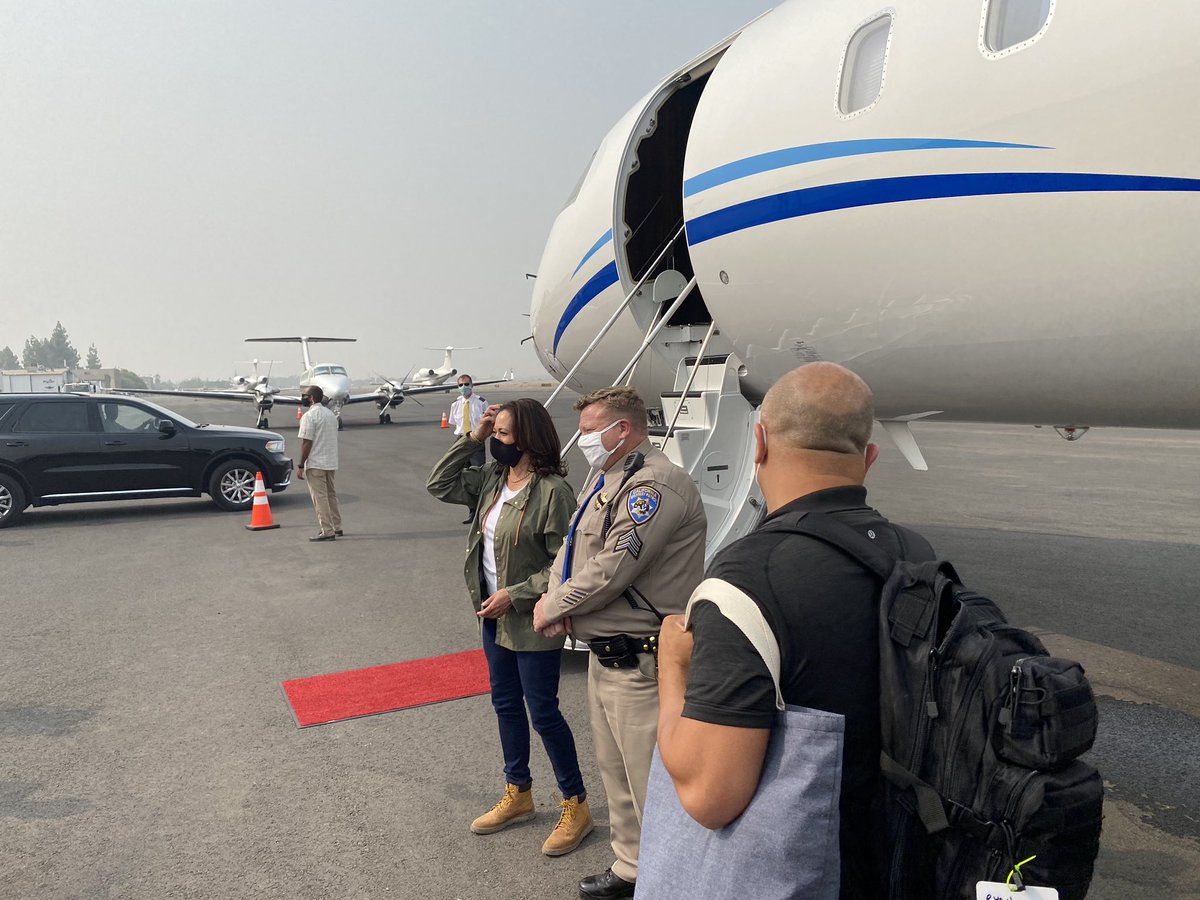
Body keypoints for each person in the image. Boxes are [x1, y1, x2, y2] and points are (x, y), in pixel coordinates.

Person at [654, 362, 934, 899]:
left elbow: (710, 797)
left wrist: (673, 669)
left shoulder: (747, 575)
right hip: (904, 854)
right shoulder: (914, 552)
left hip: (804, 869)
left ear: (757, 444)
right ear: (870, 456)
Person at [532, 387, 706, 900]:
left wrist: (556, 607)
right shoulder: (605, 477)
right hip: (604, 657)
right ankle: (632, 868)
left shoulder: (655, 485)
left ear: (623, 429)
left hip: (643, 661)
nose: (583, 439)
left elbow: (614, 567)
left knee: (654, 782)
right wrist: (554, 597)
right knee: (618, 776)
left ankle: (673, 881)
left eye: (590, 430)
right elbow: (572, 551)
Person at [427, 397, 594, 858]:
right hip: (491, 618)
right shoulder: (494, 479)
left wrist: (515, 594)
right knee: (505, 704)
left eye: (502, 433)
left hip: (529, 619)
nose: (495, 439)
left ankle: (576, 804)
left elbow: (568, 565)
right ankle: (518, 791)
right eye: (494, 432)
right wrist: (474, 438)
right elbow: (438, 484)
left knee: (543, 713)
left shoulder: (553, 492)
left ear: (528, 439)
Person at [297, 385, 343, 542]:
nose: (303, 398)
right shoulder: (330, 415)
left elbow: (306, 442)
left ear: (311, 398)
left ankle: (327, 530)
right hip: (330, 462)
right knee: (331, 495)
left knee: (320, 498)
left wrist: (301, 465)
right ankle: (337, 526)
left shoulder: (309, 417)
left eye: (305, 395)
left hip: (316, 463)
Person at [448, 374, 489, 524]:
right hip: (461, 440)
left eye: (466, 384)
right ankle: (472, 511)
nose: (463, 387)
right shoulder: (455, 404)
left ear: (472, 385)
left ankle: (482, 511)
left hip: (476, 440)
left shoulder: (481, 402)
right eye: (460, 385)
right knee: (463, 477)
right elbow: (454, 422)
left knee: (478, 476)